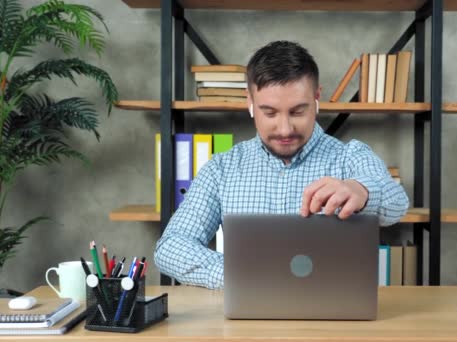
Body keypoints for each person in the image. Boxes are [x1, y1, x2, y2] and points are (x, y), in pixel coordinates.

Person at [154, 41, 409, 289]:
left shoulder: (349, 156)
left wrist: (362, 190)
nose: (285, 129)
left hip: (333, 321)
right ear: (250, 103)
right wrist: (234, 275)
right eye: (270, 113)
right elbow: (171, 246)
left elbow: (397, 203)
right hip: (246, 319)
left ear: (317, 98)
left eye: (298, 111)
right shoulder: (222, 168)